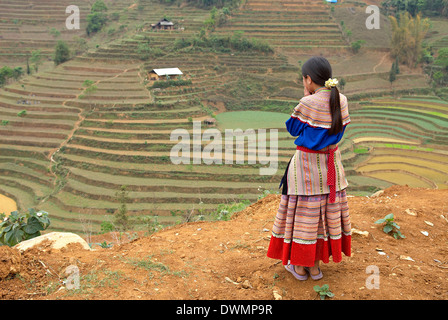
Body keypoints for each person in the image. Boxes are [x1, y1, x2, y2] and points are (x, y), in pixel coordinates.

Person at [266, 56, 352, 281]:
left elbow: (293, 129)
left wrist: (306, 98)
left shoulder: (308, 103)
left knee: (305, 217)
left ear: (309, 79)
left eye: (303, 79)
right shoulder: (341, 100)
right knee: (323, 217)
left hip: (306, 168)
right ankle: (315, 269)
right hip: (331, 165)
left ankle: (300, 267)